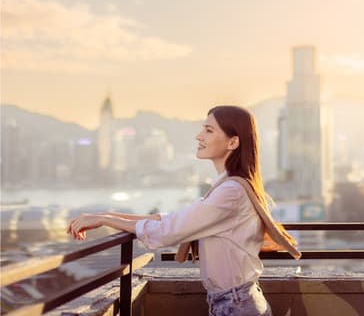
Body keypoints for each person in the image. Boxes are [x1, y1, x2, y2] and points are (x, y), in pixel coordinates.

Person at [67, 105, 300, 316]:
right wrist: (107, 217)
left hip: (236, 305)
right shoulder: (228, 186)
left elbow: (168, 231)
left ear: (232, 142)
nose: (199, 136)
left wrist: (105, 219)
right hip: (234, 302)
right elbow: (172, 219)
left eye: (209, 130)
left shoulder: (231, 192)